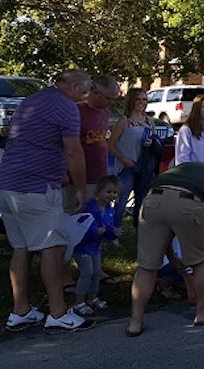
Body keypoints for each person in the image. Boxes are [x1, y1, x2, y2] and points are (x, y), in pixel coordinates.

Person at [0, 70, 94, 334]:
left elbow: (35, 144)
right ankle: (58, 313)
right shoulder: (66, 107)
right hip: (36, 188)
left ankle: (20, 311)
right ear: (74, 87)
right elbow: (74, 151)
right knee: (53, 246)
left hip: (8, 184)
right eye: (84, 92)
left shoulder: (31, 101)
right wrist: (79, 187)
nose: (84, 98)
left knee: (21, 248)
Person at [127, 161, 204, 335]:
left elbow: (165, 232)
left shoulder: (183, 171)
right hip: (191, 202)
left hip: (152, 200)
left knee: (147, 266)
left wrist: (173, 258)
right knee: (202, 261)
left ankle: (135, 322)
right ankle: (202, 313)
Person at [107, 87, 156, 231]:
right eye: (138, 99)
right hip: (126, 167)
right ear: (131, 101)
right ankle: (114, 231)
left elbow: (155, 144)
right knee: (121, 202)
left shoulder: (149, 121)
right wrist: (124, 159)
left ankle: (138, 231)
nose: (141, 102)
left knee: (141, 202)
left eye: (144, 99)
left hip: (144, 167)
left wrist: (151, 143)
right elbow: (112, 145)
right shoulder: (124, 121)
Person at [71, 175, 121, 316]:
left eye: (115, 192)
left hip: (95, 247)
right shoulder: (89, 208)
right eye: (108, 192)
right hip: (83, 246)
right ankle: (79, 301)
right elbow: (82, 228)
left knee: (95, 272)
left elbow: (108, 229)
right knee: (87, 272)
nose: (112, 195)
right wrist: (95, 231)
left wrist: (113, 233)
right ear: (98, 192)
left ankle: (92, 298)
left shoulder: (110, 210)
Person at [73, 76, 120, 205]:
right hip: (79, 177)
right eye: (108, 98)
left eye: (113, 99)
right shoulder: (76, 111)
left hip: (99, 176)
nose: (111, 102)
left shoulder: (105, 113)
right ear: (96, 94)